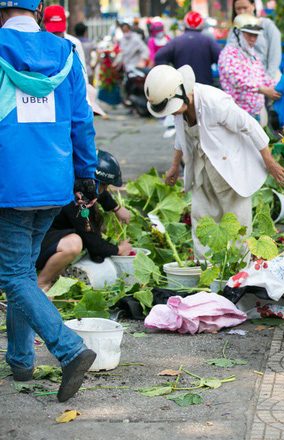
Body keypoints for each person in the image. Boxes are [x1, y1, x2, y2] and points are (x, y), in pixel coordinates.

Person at [0, 0, 98, 402]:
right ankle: (21, 361)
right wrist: (86, 174)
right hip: (53, 182)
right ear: (38, 12)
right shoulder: (65, 53)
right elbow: (81, 119)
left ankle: (68, 349)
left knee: (13, 275)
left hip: (11, 182)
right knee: (22, 269)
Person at [144, 65, 284, 256]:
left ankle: (238, 272)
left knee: (236, 221)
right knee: (202, 217)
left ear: (182, 94)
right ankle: (206, 268)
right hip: (201, 166)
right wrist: (174, 166)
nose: (171, 113)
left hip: (230, 166)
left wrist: (269, 162)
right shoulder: (180, 109)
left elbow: (250, 125)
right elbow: (181, 137)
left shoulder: (214, 102)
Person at [36, 151, 132, 291]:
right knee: (74, 243)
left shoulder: (76, 180)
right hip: (34, 245)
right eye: (104, 186)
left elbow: (98, 190)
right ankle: (41, 283)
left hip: (47, 235)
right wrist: (119, 249)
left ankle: (54, 274)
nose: (105, 190)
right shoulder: (76, 201)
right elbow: (94, 245)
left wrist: (116, 208)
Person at [218, 14, 281, 120]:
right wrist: (261, 89)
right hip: (237, 114)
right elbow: (236, 80)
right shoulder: (229, 53)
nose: (253, 39)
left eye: (255, 36)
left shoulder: (252, 55)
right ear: (238, 33)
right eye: (249, 35)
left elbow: (263, 79)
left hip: (254, 114)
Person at [154, 11, 222, 86]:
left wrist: (169, 76)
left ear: (185, 24)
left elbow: (159, 57)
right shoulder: (208, 41)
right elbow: (223, 58)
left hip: (182, 87)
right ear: (201, 25)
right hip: (204, 87)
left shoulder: (176, 42)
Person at [226, 0, 282, 80]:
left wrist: (268, 80)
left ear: (253, 5)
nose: (242, 11)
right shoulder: (234, 30)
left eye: (245, 8)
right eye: (238, 9)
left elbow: (275, 56)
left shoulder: (266, 25)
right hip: (244, 81)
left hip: (268, 78)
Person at [43, 5, 86, 73]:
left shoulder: (74, 43)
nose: (57, 36)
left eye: (59, 31)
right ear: (44, 24)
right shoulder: (41, 45)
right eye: (53, 32)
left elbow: (83, 72)